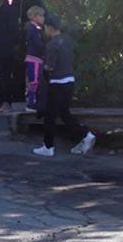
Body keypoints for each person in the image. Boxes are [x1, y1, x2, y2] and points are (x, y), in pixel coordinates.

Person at [32, 14, 96, 157]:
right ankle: (85, 134)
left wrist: (44, 74)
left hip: (56, 83)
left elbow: (50, 67)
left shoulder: (52, 44)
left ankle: (48, 146)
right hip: (69, 80)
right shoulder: (67, 40)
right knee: (64, 113)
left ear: (49, 28)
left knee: (50, 115)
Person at [11, 0, 48, 104]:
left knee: (34, 71)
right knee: (18, 69)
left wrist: (31, 23)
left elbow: (44, 15)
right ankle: (18, 96)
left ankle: (35, 97)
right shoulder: (16, 0)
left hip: (31, 41)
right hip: (19, 39)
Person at [24, 6, 47, 113]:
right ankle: (31, 103)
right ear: (34, 17)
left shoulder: (35, 29)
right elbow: (38, 45)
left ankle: (34, 101)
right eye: (41, 16)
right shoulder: (32, 30)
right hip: (34, 58)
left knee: (36, 80)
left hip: (36, 58)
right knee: (34, 81)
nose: (43, 18)